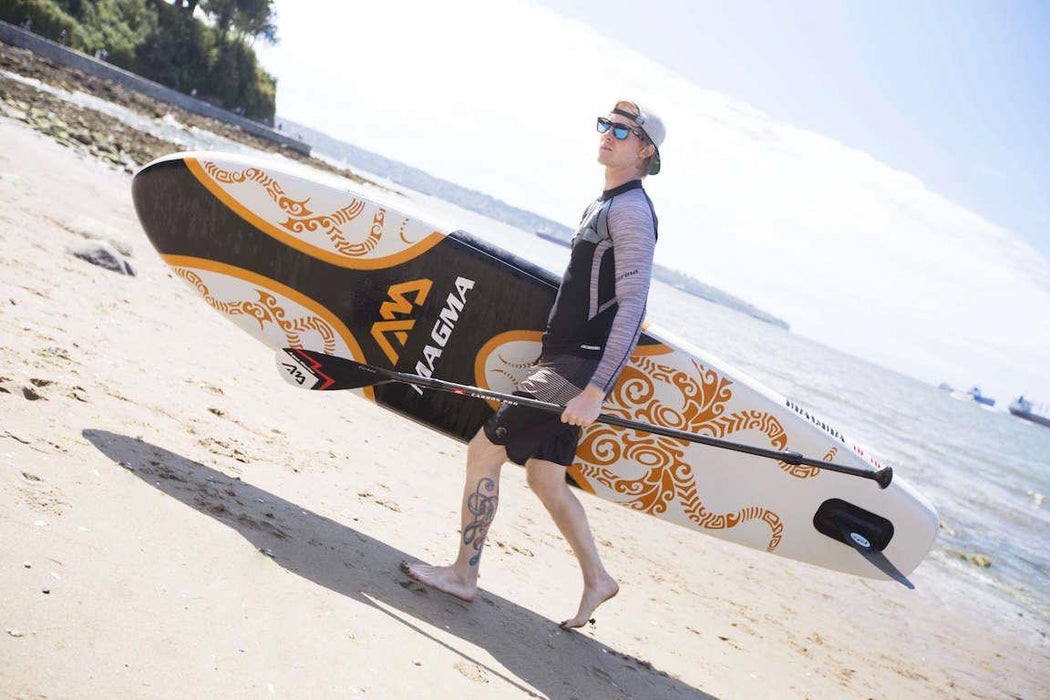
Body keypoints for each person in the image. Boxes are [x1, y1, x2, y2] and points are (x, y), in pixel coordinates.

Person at [404, 100, 664, 629]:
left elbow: (634, 307)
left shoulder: (632, 211)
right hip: (565, 359)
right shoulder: (606, 203)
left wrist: (596, 389)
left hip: (576, 369)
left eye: (622, 131)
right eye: (606, 125)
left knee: (484, 452)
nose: (608, 134)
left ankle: (463, 575)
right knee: (546, 477)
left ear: (645, 150)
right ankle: (598, 579)